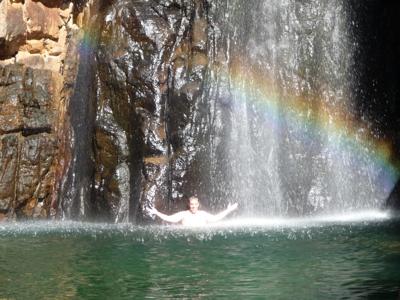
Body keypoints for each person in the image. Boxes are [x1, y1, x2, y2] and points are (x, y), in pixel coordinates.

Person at [149, 196, 238, 226]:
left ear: (198, 205)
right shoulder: (184, 214)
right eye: (192, 204)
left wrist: (228, 210)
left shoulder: (203, 214)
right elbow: (169, 218)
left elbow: (215, 218)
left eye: (195, 204)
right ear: (189, 205)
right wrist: (156, 212)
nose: (193, 206)